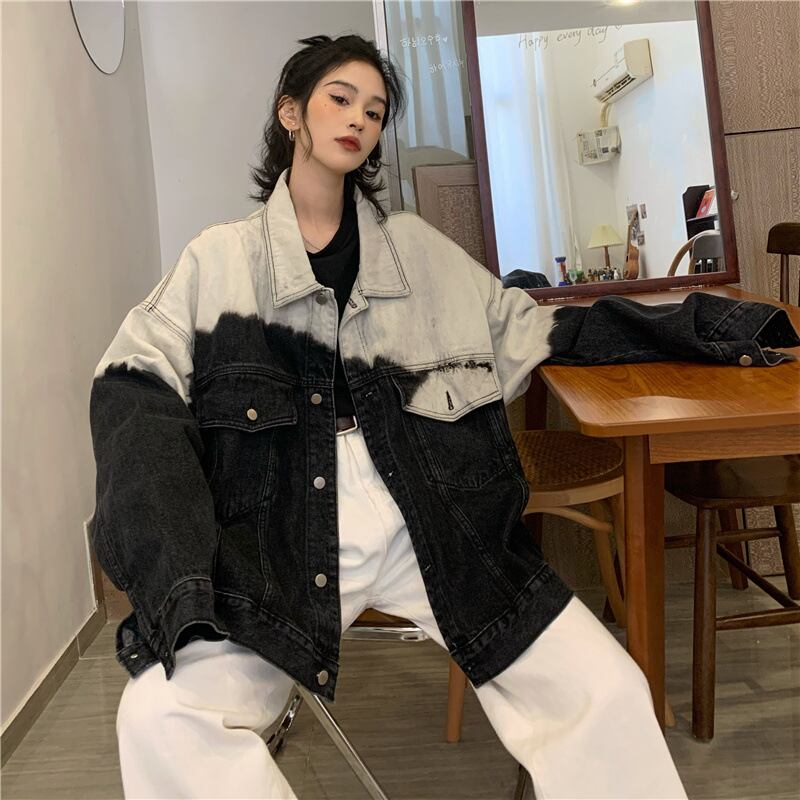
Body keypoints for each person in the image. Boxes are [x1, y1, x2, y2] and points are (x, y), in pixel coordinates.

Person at [89, 34, 689, 799]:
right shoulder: (220, 261)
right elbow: (130, 387)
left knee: (606, 691)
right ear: (291, 113)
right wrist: (180, 580)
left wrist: (714, 331)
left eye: (373, 110)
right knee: (160, 716)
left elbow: (537, 328)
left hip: (428, 510)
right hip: (281, 527)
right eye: (339, 98)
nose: (358, 119)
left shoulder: (417, 252)